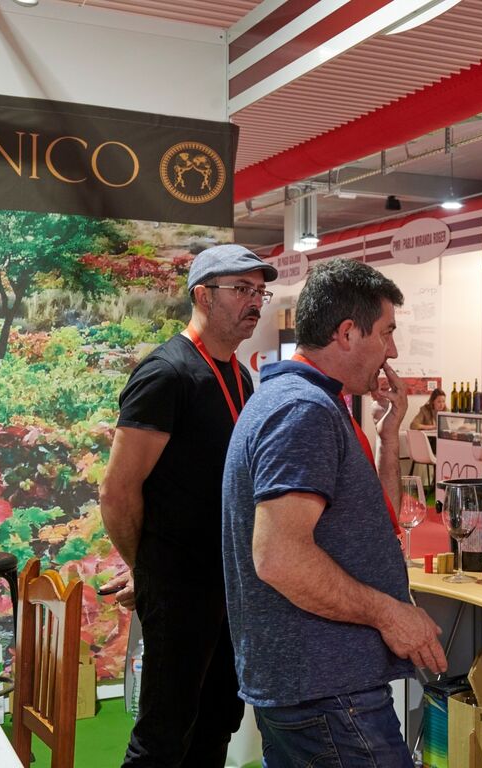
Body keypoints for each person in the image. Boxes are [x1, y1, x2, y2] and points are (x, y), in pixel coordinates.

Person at [221, 258, 447, 768]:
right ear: (347, 333)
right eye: (386, 332)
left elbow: (372, 522)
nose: (392, 350)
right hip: (327, 690)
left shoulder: (305, 402)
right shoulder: (303, 411)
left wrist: (390, 439)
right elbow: (279, 557)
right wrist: (390, 614)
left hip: (317, 686)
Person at [99, 244, 278, 768]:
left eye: (259, 291)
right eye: (241, 289)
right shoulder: (166, 373)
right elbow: (117, 492)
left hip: (228, 586)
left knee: (218, 720)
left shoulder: (241, 377)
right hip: (179, 589)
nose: (255, 301)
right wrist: (147, 570)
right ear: (202, 295)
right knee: (164, 734)